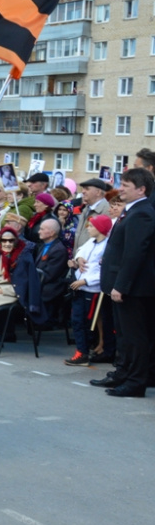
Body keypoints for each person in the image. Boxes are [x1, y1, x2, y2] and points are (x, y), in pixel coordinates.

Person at [93, 169, 155, 398]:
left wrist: (121, 285)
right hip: (124, 285)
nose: (121, 189)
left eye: (126, 185)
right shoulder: (132, 210)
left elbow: (134, 254)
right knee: (123, 335)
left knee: (134, 337)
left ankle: (136, 382)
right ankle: (123, 373)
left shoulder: (142, 213)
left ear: (141, 189)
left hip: (134, 288)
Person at [65, 214, 111, 366]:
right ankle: (81, 351)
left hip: (91, 290)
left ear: (100, 229)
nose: (88, 229)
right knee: (77, 320)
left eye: (91, 226)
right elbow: (80, 250)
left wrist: (86, 281)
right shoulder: (91, 241)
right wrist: (78, 259)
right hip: (80, 287)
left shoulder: (107, 246)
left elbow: (104, 272)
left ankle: (83, 353)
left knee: (85, 322)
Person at [34, 219, 68, 326]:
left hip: (52, 286)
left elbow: (50, 275)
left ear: (52, 233)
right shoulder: (43, 246)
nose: (39, 231)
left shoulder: (58, 250)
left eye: (42, 229)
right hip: (41, 281)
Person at [74, 178, 110, 252]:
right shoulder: (86, 208)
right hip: (80, 256)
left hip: (92, 257)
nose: (83, 191)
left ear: (98, 192)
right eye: (83, 189)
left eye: (87, 189)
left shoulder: (107, 211)